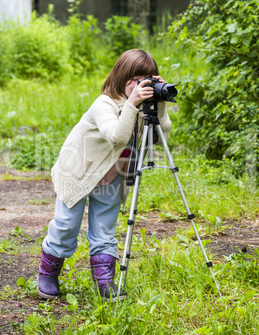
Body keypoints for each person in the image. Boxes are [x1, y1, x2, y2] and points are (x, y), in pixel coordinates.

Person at [37, 49, 172, 301]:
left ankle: (105, 282)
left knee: (104, 230)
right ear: (122, 77)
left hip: (112, 176)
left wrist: (160, 102)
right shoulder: (105, 103)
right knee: (66, 226)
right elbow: (117, 136)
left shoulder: (144, 107)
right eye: (136, 78)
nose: (141, 84)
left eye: (148, 78)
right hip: (79, 172)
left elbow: (161, 134)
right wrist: (131, 104)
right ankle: (48, 272)